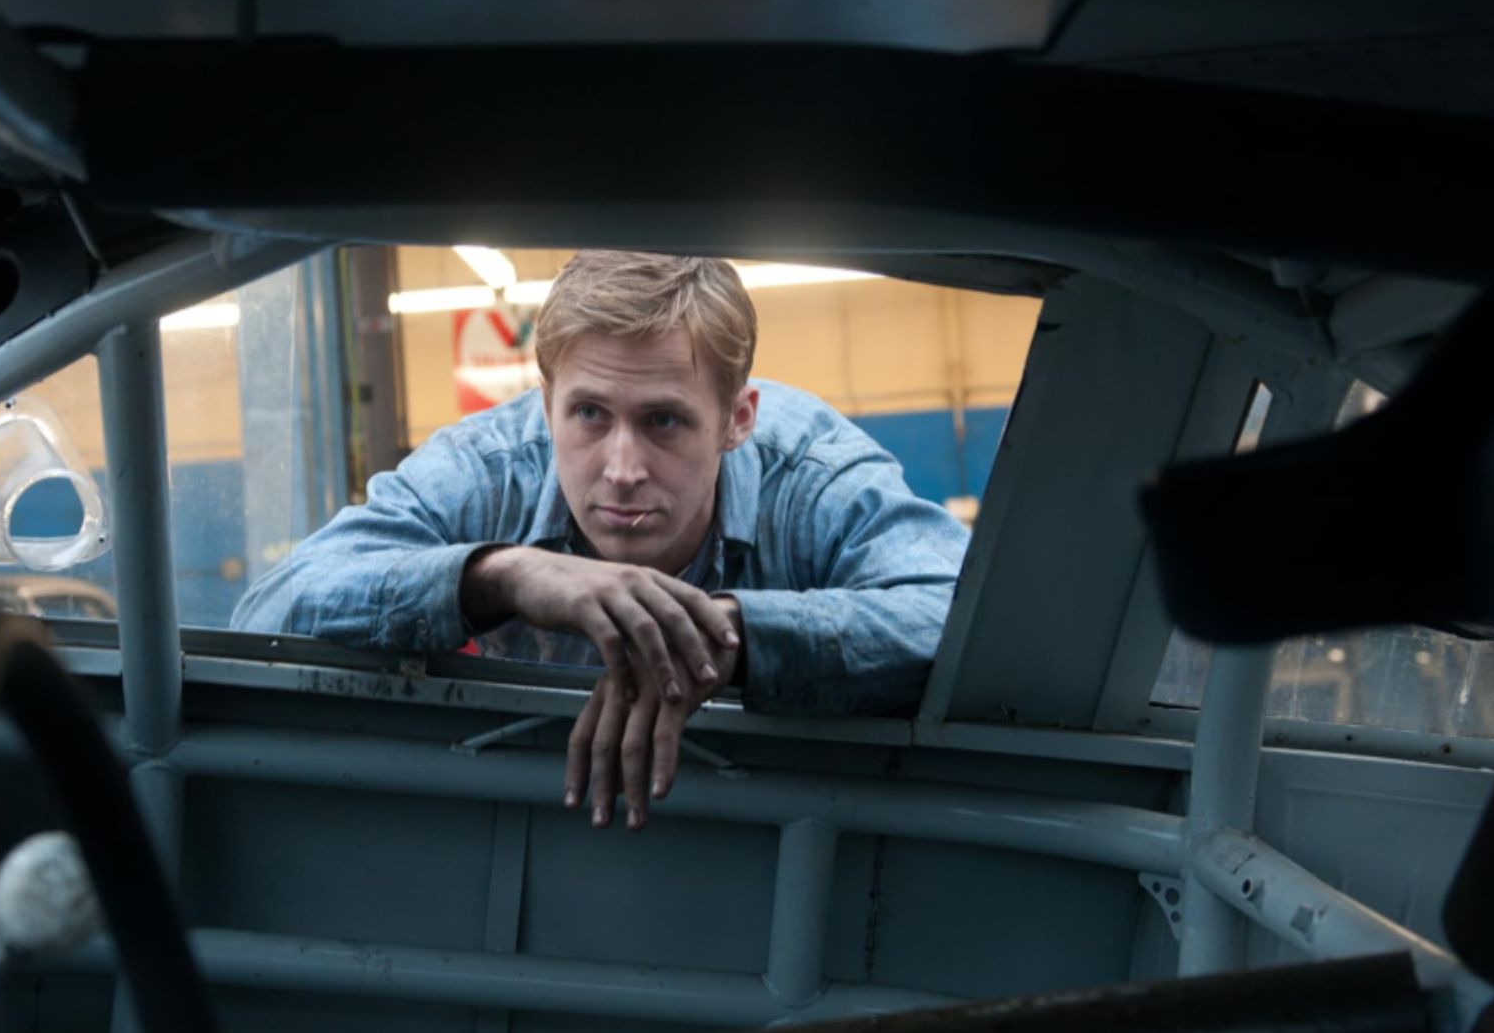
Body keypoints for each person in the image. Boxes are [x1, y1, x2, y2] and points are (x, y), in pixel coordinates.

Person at [231, 251, 970, 830]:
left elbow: (959, 616)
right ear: (544, 401)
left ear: (739, 418)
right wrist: (500, 577)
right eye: (588, 414)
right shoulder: (488, 468)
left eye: (664, 421)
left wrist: (720, 635)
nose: (621, 470)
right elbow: (267, 615)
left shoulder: (810, 474)